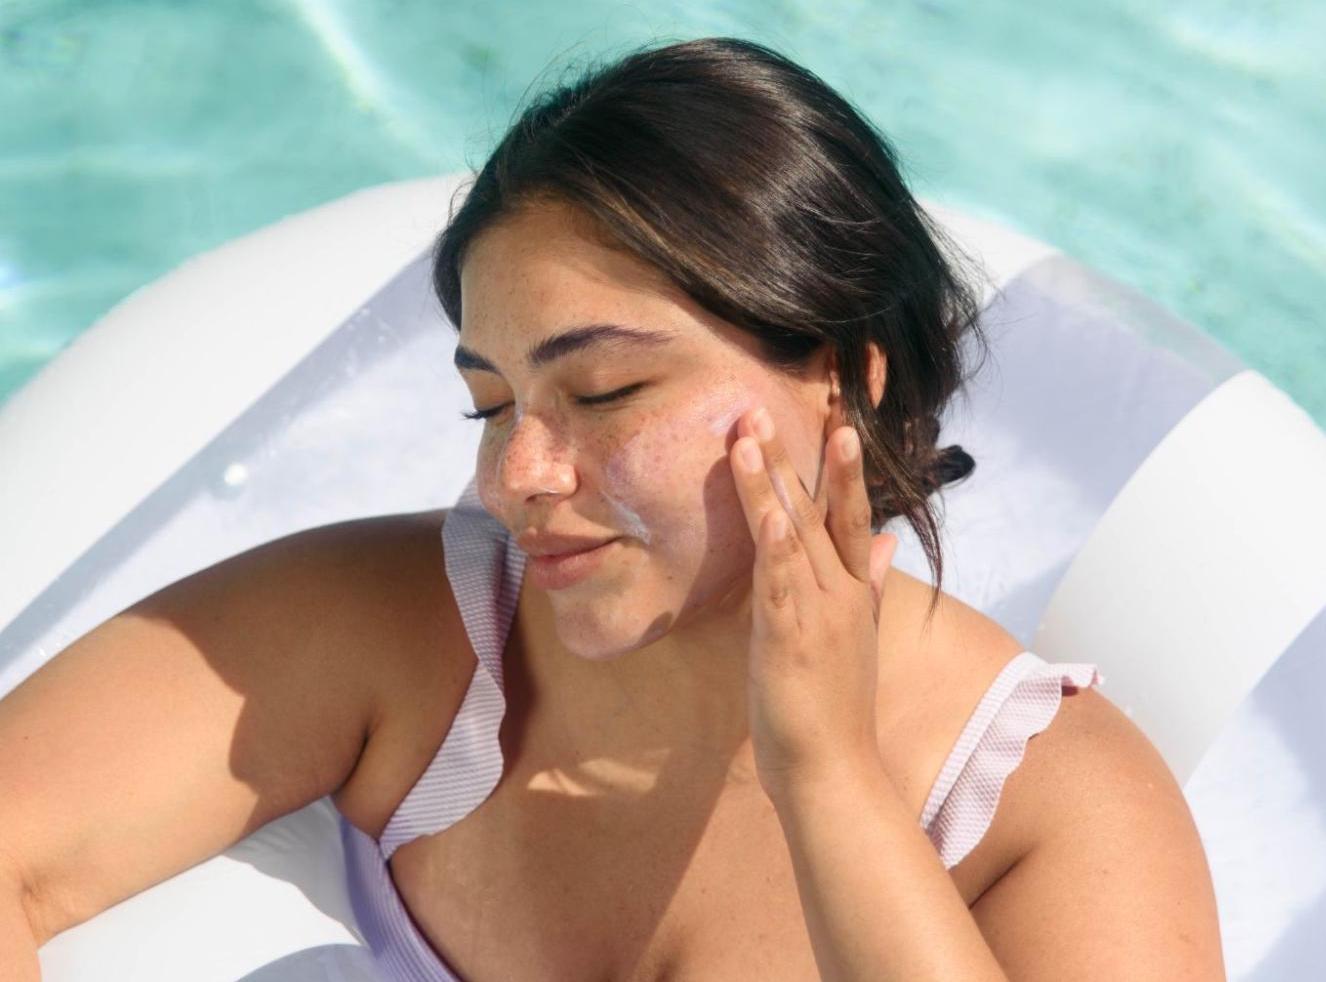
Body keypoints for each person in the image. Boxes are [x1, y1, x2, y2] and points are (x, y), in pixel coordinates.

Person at [0, 36, 1224, 981]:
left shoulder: (1054, 812)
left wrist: (830, 779)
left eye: (605, 391)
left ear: (844, 381)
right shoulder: (414, 635)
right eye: (492, 405)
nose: (515, 475)